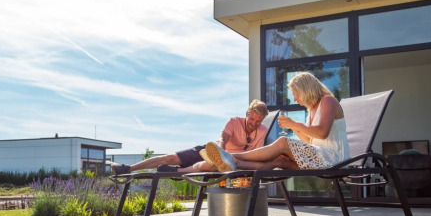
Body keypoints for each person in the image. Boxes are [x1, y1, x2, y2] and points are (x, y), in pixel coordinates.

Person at [202, 72, 349, 172]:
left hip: (333, 159)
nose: (295, 99)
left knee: (283, 142)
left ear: (305, 90)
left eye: (295, 94)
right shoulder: (311, 110)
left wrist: (294, 125)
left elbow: (322, 133)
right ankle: (233, 163)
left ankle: (230, 156)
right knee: (279, 160)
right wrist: (295, 128)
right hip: (319, 157)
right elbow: (310, 141)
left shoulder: (328, 101)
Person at [111, 100, 269, 175]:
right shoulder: (234, 122)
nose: (254, 124)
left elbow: (258, 153)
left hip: (229, 162)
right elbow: (223, 138)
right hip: (211, 151)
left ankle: (175, 172)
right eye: (252, 119)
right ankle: (128, 168)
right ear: (247, 114)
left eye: (258, 121)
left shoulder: (262, 130)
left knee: (207, 166)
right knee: (170, 157)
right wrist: (219, 149)